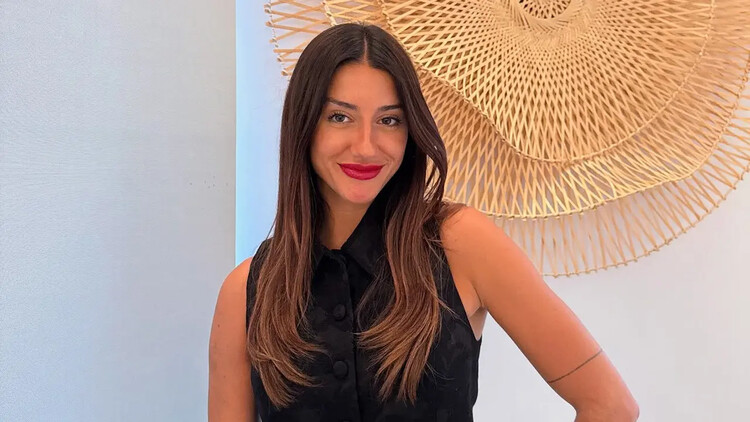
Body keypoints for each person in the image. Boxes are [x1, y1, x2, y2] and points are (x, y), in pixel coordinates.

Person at [208, 22, 639, 422]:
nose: (366, 146)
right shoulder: (245, 292)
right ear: (304, 126)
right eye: (339, 117)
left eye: (389, 120)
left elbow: (610, 405)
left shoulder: (461, 244)